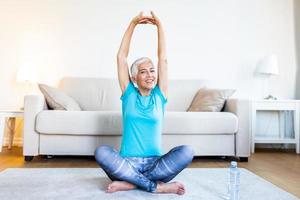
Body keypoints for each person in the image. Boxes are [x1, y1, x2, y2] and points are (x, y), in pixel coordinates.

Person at [94, 11, 194, 195]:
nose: (150, 75)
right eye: (143, 72)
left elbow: (163, 58)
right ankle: (154, 186)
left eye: (152, 71)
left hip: (155, 164)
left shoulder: (160, 95)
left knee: (187, 151)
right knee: (101, 152)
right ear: (134, 77)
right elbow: (121, 57)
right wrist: (133, 23)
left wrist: (159, 25)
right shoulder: (129, 93)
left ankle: (131, 183)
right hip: (126, 163)